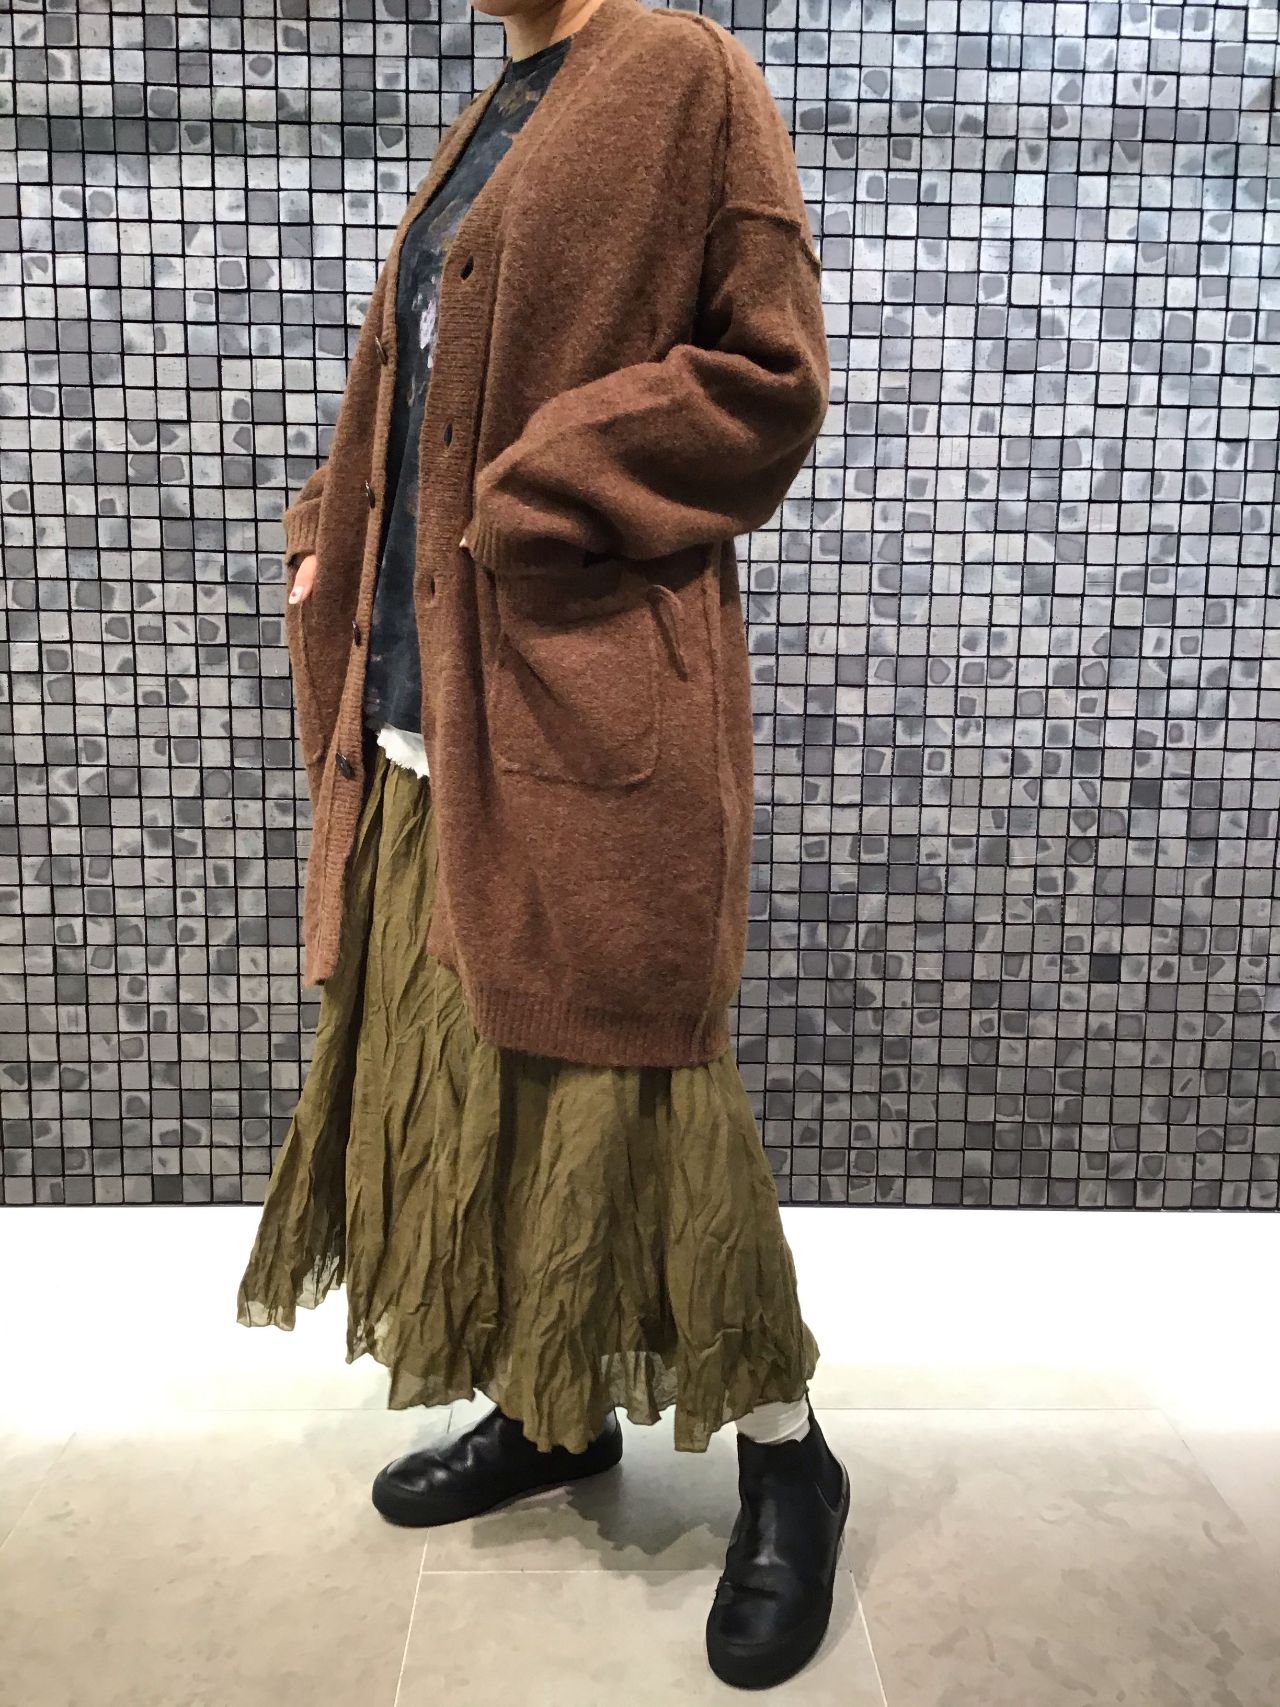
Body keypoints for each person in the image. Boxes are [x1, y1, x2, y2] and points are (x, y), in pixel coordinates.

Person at [236, 0, 847, 1688]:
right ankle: (552, 1407)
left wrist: (541, 486)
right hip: (425, 708)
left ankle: (789, 1461)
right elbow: (417, 385)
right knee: (474, 1074)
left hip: (576, 702)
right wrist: (328, 533)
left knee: (632, 1093)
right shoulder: (501, 103)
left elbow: (771, 377)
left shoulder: (685, 73)